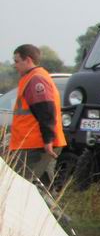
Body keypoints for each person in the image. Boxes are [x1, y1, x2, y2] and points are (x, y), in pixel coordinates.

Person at [8, 44, 66, 185]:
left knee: (21, 184)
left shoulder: (36, 79)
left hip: (35, 145)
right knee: (40, 186)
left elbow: (46, 111)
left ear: (28, 60)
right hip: (36, 143)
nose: (15, 65)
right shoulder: (33, 78)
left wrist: (48, 141)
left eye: (17, 61)